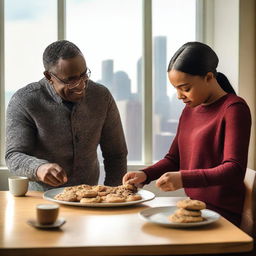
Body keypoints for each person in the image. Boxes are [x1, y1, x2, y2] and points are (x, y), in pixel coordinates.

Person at [123, 41, 251, 226]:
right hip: (194, 209)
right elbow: (174, 159)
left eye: (185, 88)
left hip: (223, 217)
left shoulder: (234, 108)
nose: (179, 95)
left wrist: (184, 178)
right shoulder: (190, 109)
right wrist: (145, 175)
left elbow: (234, 169)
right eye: (176, 88)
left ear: (208, 77)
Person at [5, 40, 128, 191]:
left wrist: (114, 194)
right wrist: (39, 168)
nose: (81, 85)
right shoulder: (24, 101)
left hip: (89, 199)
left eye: (84, 75)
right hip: (40, 200)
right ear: (49, 77)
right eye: (71, 81)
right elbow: (13, 156)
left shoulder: (102, 96)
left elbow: (116, 154)